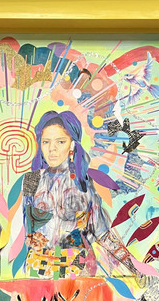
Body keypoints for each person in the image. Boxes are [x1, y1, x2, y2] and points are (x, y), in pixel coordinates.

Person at [22, 110, 141, 280]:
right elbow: (28, 230)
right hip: (38, 269)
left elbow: (102, 233)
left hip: (75, 270)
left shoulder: (84, 183)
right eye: (46, 142)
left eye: (60, 142)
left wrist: (135, 267)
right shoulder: (31, 180)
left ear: (72, 144)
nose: (52, 149)